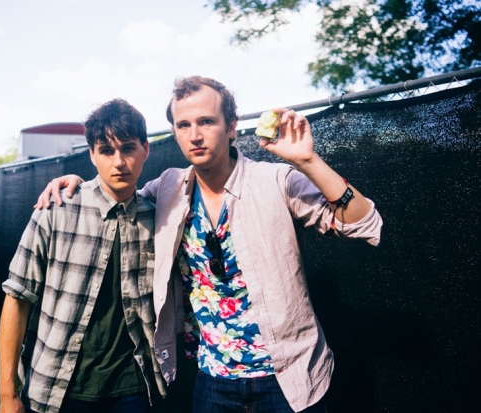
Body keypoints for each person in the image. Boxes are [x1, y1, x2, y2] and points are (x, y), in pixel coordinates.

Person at [35, 76, 383, 413]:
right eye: (184, 125)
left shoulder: (277, 180)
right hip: (212, 381)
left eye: (206, 122)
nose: (195, 135)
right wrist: (79, 185)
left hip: (288, 378)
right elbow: (120, 194)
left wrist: (308, 161)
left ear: (232, 126)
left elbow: (365, 224)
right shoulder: (168, 189)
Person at [0, 99, 166, 413]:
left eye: (128, 148)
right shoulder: (56, 209)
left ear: (146, 149)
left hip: (132, 387)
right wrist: (7, 395)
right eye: (106, 150)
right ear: (91, 154)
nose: (119, 162)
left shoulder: (160, 219)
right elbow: (18, 298)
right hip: (59, 386)